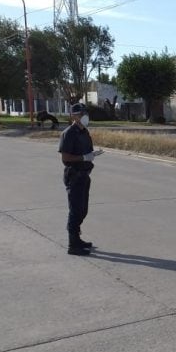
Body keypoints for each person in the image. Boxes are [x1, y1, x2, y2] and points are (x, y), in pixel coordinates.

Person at [58, 103, 104, 256]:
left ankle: (77, 238)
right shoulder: (69, 133)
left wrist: (92, 155)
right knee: (75, 210)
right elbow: (65, 157)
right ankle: (73, 244)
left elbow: (86, 150)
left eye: (85, 113)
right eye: (80, 114)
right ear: (73, 116)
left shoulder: (84, 132)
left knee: (83, 210)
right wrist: (84, 157)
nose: (84, 116)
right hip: (74, 175)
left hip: (84, 175)